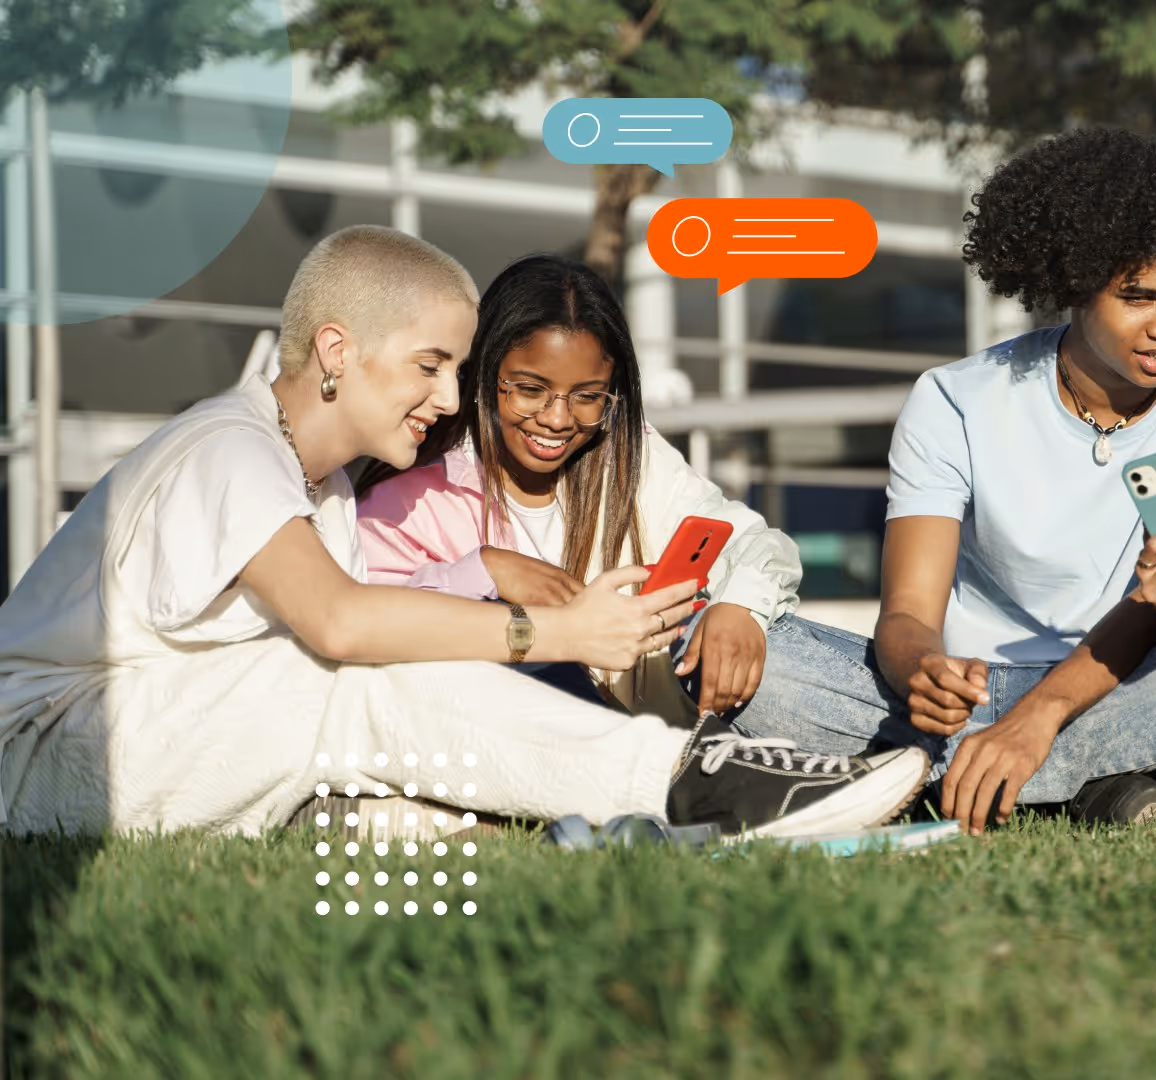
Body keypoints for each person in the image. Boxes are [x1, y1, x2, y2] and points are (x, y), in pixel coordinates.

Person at [0, 225, 927, 839]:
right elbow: (343, 625)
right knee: (348, 680)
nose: (449, 398)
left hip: (143, 725)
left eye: (456, 369)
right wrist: (552, 631)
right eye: (432, 366)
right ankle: (708, 786)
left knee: (377, 716)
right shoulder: (229, 450)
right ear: (337, 352)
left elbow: (370, 619)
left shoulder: (310, 483)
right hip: (40, 748)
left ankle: (647, 798)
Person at [723, 126, 1156, 834]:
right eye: (1139, 296)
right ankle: (1095, 783)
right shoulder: (955, 397)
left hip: (1128, 678)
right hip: (969, 689)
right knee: (746, 655)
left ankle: (907, 776)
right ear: (1072, 279)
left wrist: (1037, 719)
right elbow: (907, 611)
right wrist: (922, 673)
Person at [356, 253, 797, 720]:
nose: (558, 419)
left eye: (588, 397)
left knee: (772, 639)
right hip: (516, 746)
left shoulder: (628, 457)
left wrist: (741, 609)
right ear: (484, 375)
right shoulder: (408, 501)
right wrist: (484, 573)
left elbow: (755, 541)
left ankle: (879, 752)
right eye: (529, 389)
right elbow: (360, 626)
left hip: (662, 740)